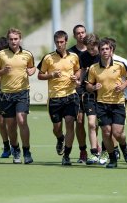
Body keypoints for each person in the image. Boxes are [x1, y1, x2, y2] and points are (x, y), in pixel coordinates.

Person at [86, 38, 127, 168]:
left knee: (117, 133)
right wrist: (93, 88)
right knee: (106, 132)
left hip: (118, 103)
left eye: (107, 49)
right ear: (99, 51)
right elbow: (88, 85)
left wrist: (123, 85)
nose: (104, 51)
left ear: (111, 50)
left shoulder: (120, 64)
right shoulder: (94, 68)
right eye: (102, 49)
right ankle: (113, 159)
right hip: (101, 103)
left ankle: (124, 148)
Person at [37, 30, 81, 166]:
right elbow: (40, 75)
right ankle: (60, 138)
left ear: (66, 42)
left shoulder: (74, 56)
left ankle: (67, 156)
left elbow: (78, 70)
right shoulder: (48, 58)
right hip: (55, 98)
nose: (60, 44)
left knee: (69, 123)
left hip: (70, 95)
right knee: (57, 128)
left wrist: (76, 76)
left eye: (62, 42)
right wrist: (51, 75)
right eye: (57, 42)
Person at [0, 28, 36, 164]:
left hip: (22, 92)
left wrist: (31, 71)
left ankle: (27, 151)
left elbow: (33, 67)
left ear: (20, 40)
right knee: (10, 125)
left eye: (16, 39)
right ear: (8, 40)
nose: (13, 41)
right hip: (6, 93)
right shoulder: (1, 55)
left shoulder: (28, 54)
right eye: (11, 39)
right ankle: (15, 149)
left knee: (22, 120)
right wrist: (2, 71)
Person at [79, 33, 101, 164]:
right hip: (89, 92)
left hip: (105, 94)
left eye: (93, 48)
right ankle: (94, 152)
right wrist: (79, 81)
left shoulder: (104, 55)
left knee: (105, 125)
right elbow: (82, 71)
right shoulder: (84, 56)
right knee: (91, 123)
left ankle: (109, 150)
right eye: (88, 49)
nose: (90, 51)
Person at [68, 24, 88, 163]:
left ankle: (97, 148)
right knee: (79, 122)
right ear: (74, 36)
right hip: (77, 91)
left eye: (83, 32)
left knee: (95, 123)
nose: (81, 35)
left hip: (94, 91)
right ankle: (83, 151)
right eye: (78, 33)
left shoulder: (94, 50)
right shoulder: (70, 53)